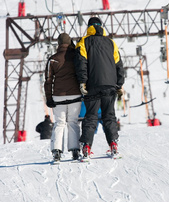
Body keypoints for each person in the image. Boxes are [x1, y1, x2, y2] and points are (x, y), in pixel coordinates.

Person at [74, 16, 125, 158]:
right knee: (109, 116)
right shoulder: (111, 43)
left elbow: (81, 63)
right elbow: (118, 64)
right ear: (101, 26)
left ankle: (86, 148)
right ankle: (113, 144)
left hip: (92, 85)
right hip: (110, 85)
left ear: (89, 27)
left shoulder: (83, 42)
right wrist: (119, 83)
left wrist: (82, 81)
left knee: (90, 116)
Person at [44, 33, 82, 162]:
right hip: (75, 95)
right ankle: (75, 150)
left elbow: (48, 80)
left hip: (58, 96)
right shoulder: (76, 56)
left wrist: (49, 98)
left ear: (59, 43)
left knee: (59, 123)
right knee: (73, 122)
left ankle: (56, 152)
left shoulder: (53, 59)